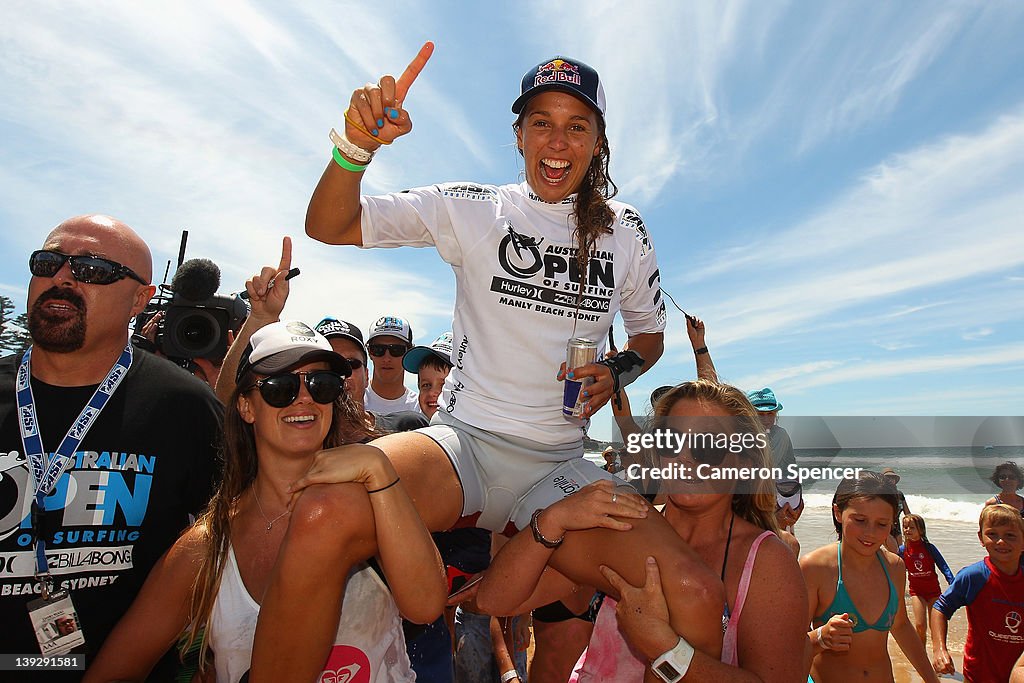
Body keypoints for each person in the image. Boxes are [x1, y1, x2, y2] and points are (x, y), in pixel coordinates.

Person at [264, 46, 724, 681]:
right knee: (322, 512)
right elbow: (330, 224)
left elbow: (650, 336)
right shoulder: (475, 207)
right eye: (541, 121)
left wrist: (616, 372)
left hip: (561, 464)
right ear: (519, 134)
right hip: (463, 447)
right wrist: (354, 148)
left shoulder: (625, 229)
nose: (557, 140)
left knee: (696, 594)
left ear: (597, 142)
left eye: (576, 125)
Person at [84, 321, 446, 682]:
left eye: (321, 386)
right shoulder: (208, 546)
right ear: (246, 406)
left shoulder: (368, 498)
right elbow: (117, 669)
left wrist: (380, 471)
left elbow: (425, 605)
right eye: (280, 387)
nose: (304, 398)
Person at [0, 215, 222, 679]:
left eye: (92, 270)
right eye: (48, 262)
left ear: (140, 299)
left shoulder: (185, 406)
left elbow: (222, 544)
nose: (61, 278)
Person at [548, 380, 807, 681]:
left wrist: (664, 647)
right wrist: (553, 519)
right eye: (670, 441)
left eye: (707, 447)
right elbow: (503, 599)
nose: (684, 457)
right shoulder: (625, 525)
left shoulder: (767, 562)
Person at [801, 471, 939, 683]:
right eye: (860, 520)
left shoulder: (894, 567)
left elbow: (901, 626)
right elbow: (789, 645)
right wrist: (820, 637)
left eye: (882, 524)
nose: (870, 532)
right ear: (838, 513)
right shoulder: (816, 567)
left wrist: (931, 679)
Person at [931, 503, 1024, 682]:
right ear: (981, 538)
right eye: (992, 534)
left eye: (1010, 535)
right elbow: (940, 608)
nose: (1001, 541)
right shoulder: (974, 576)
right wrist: (939, 649)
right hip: (978, 674)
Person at [747, 387, 803, 535]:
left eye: (770, 414)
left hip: (777, 501)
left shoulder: (779, 435)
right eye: (760, 414)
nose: (766, 420)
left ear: (776, 414)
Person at [898, 514, 954, 646]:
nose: (907, 530)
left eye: (911, 527)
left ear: (921, 530)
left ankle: (939, 651)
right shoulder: (903, 550)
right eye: (905, 527)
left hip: (934, 592)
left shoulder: (929, 548)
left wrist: (953, 582)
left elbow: (943, 566)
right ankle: (922, 655)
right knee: (920, 625)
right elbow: (895, 567)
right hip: (917, 592)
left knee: (936, 625)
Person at [364, 315, 420, 415]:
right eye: (378, 349)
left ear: (409, 352)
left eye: (396, 350)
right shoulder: (354, 401)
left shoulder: (420, 407)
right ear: (369, 352)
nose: (387, 358)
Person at [403, 331, 454, 419]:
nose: (431, 392)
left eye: (444, 384)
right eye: (426, 385)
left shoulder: (475, 431)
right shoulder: (413, 428)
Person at [881, 467, 912, 548]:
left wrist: (912, 527)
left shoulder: (899, 495)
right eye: (888, 478)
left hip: (897, 527)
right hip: (885, 527)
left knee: (900, 551)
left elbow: (908, 513)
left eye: (892, 478)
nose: (890, 480)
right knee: (892, 551)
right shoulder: (881, 495)